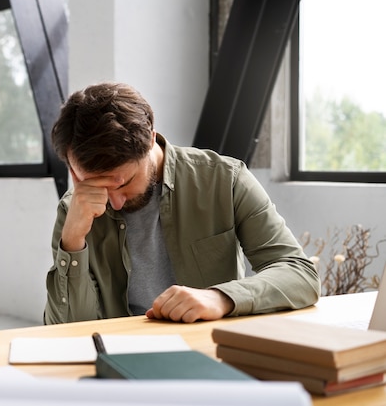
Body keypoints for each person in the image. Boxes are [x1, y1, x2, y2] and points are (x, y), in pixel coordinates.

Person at [44, 82, 320, 325]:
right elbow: (64, 328)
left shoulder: (224, 180)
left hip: (207, 352)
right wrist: (72, 242)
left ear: (151, 140)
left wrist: (221, 298)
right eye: (92, 183)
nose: (113, 203)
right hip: (119, 359)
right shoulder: (73, 210)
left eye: (123, 183)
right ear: (72, 170)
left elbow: (299, 274)